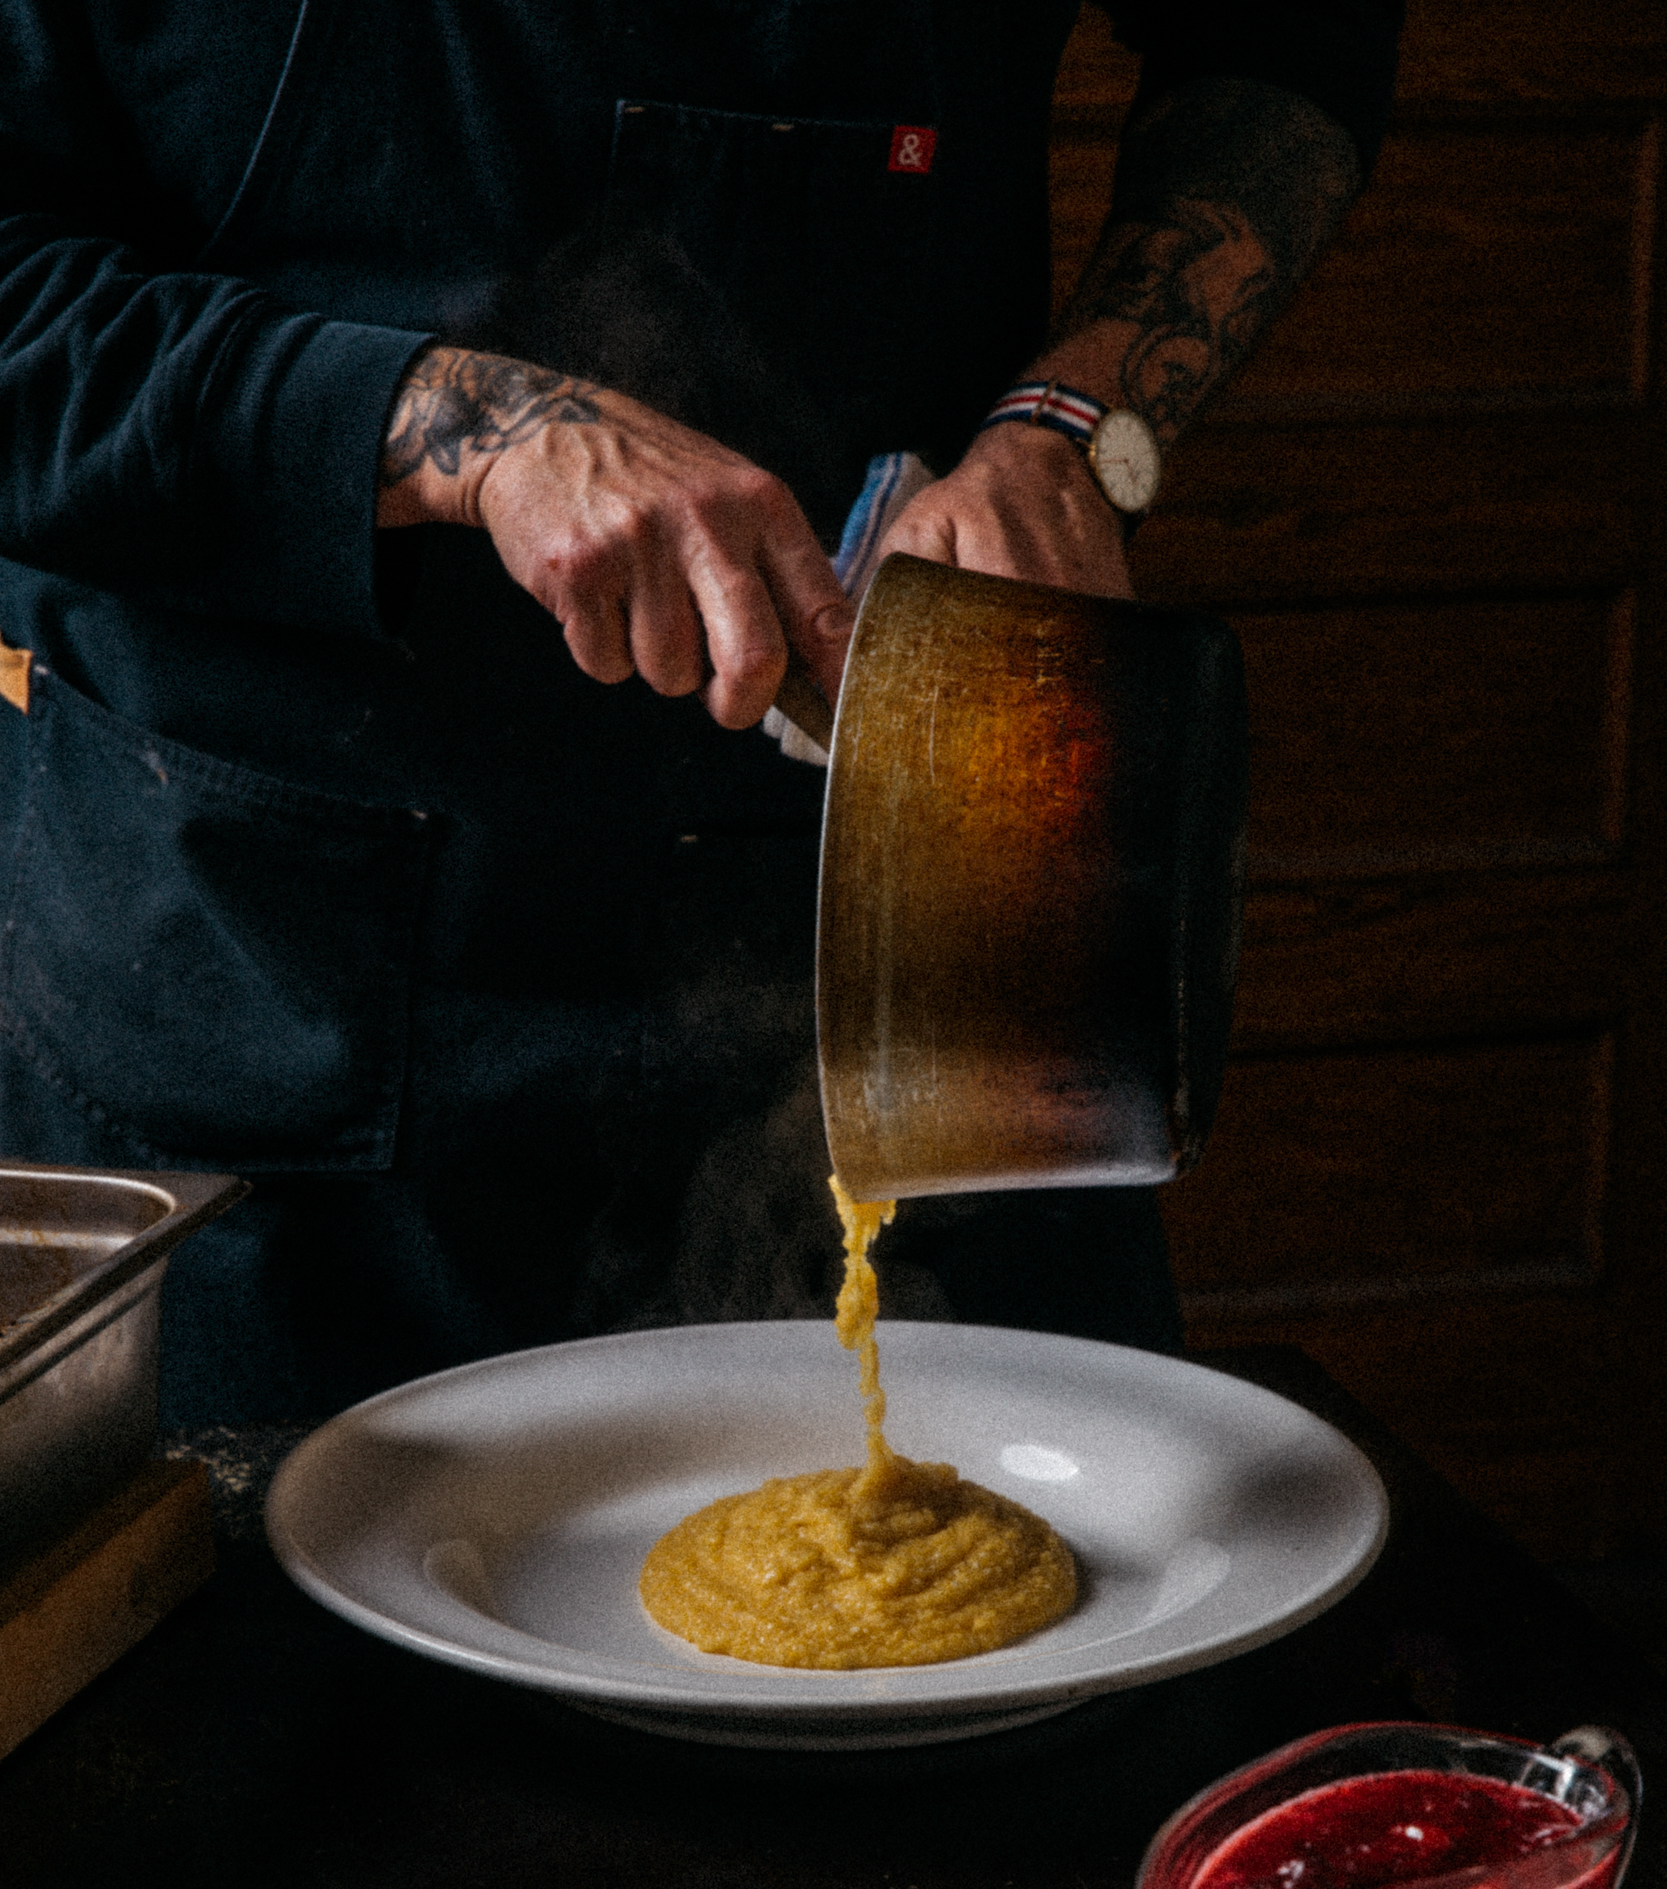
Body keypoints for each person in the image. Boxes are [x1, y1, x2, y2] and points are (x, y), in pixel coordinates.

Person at [0, 4, 1402, 1424]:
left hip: (946, 894)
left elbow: (1290, 42)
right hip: (285, 989)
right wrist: (455, 427)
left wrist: (1079, 430)